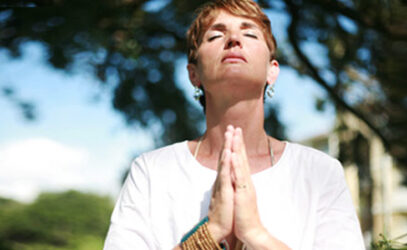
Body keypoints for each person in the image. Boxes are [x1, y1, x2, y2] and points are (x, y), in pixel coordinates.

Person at [104, 0, 365, 249]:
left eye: (250, 34)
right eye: (215, 36)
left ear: (271, 71)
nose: (233, 40)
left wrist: (255, 234)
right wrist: (210, 232)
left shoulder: (320, 172)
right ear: (193, 74)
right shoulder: (151, 172)